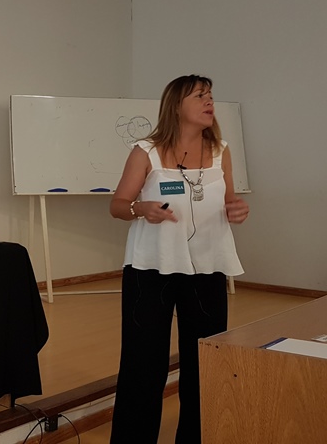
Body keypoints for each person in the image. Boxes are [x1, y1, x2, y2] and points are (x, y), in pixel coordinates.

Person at [108, 74, 249, 444]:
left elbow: (228, 200)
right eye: (200, 95)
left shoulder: (221, 150)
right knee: (143, 363)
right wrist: (141, 208)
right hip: (150, 267)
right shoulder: (146, 151)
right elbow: (118, 205)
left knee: (204, 362)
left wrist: (236, 210)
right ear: (175, 106)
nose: (209, 102)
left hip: (207, 267)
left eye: (210, 95)